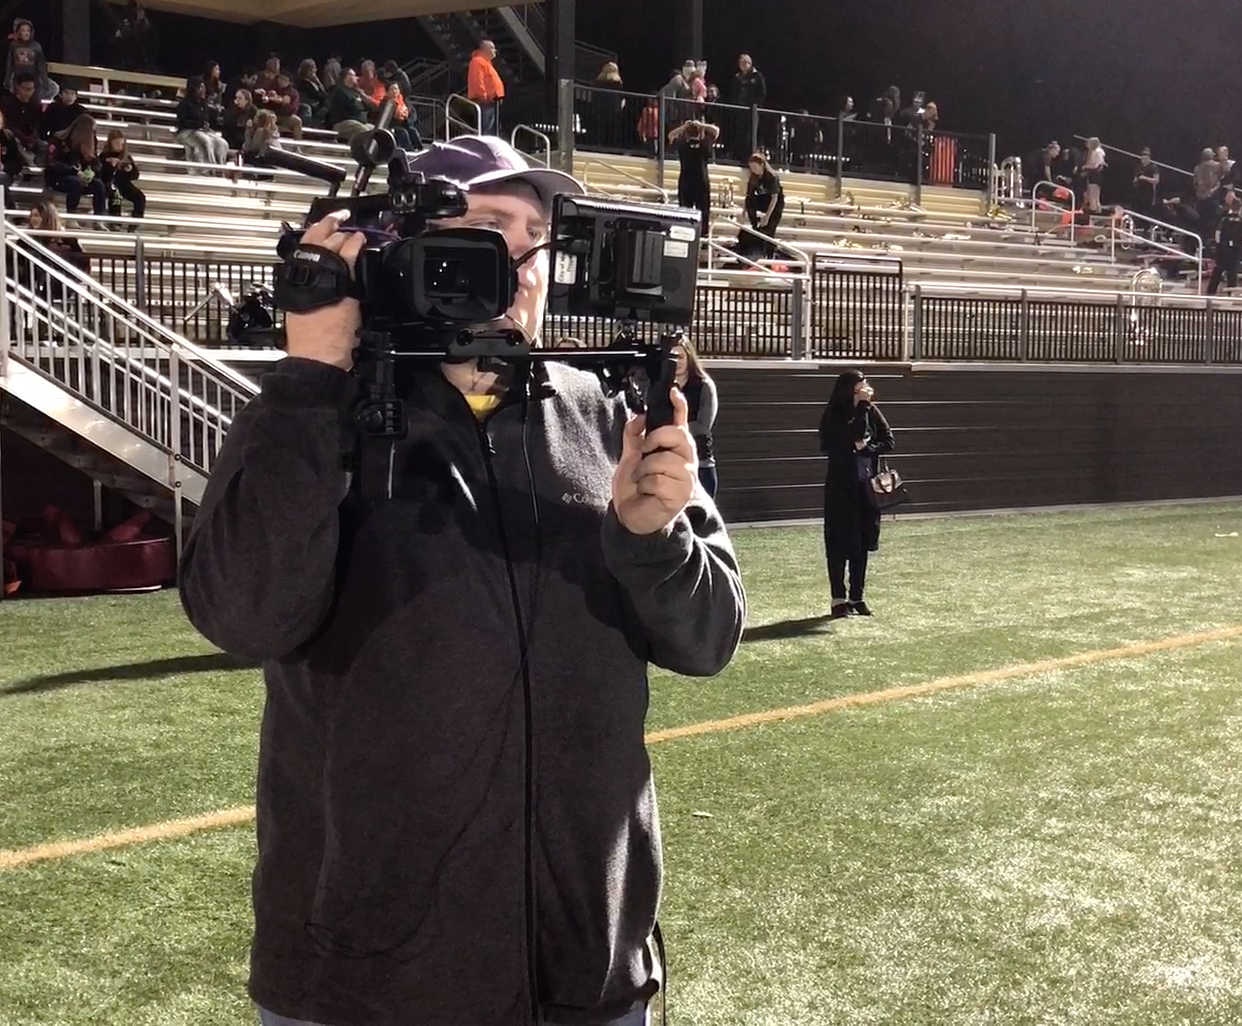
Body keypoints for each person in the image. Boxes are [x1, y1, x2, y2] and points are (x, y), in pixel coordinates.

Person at [178, 132, 744, 1026]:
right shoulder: (321, 410)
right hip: (365, 988)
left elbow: (710, 638)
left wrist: (652, 534)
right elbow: (244, 614)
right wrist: (309, 380)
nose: (522, 262)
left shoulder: (611, 411)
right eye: (489, 226)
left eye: (537, 236)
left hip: (587, 977)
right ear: (404, 249)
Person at [819, 370, 893, 618]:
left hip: (865, 486)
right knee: (839, 543)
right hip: (841, 488)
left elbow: (888, 440)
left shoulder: (870, 410)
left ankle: (857, 596)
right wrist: (861, 408)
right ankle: (838, 598)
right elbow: (853, 434)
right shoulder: (835, 414)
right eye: (861, 387)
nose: (867, 390)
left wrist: (868, 449)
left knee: (861, 542)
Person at [677, 337, 719, 499]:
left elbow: (702, 426)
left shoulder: (704, 385)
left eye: (681, 357)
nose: (677, 362)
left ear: (689, 357)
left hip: (701, 465)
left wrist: (671, 427)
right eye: (673, 357)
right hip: (672, 464)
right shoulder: (660, 386)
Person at [670, 118, 720, 242]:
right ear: (700, 133)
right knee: (703, 211)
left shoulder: (683, 146)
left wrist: (684, 126)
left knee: (684, 211)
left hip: (686, 181)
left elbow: (671, 135)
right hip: (701, 181)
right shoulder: (704, 145)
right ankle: (703, 238)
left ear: (686, 134)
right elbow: (716, 130)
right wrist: (702, 124)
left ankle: (684, 236)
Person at [46, 115, 105, 214]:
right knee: (75, 182)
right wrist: (74, 171)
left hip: (82, 178)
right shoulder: (58, 140)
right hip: (59, 178)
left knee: (99, 185)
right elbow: (53, 163)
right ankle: (72, 213)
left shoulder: (91, 142)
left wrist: (93, 172)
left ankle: (99, 216)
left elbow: (97, 163)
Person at [737, 152, 786, 261]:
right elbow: (749, 195)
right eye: (751, 167)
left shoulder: (772, 177)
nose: (753, 170)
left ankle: (770, 253)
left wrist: (767, 217)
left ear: (762, 165)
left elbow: (775, 198)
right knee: (751, 201)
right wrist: (744, 211)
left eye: (755, 167)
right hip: (763, 199)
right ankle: (755, 227)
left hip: (775, 202)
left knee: (769, 229)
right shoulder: (753, 177)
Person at [177, 76, 230, 166]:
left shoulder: (203, 104)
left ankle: (221, 168)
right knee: (205, 141)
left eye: (204, 87)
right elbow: (181, 123)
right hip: (186, 132)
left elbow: (206, 118)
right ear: (193, 89)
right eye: (200, 87)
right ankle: (209, 169)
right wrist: (198, 124)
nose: (203, 90)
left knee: (222, 143)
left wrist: (206, 124)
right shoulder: (184, 104)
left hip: (202, 131)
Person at [1207, 194, 1242, 298]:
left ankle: (1211, 291)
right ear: (1241, 207)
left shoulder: (1224, 219)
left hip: (1223, 248)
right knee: (1233, 272)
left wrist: (1220, 243)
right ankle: (1231, 293)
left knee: (1218, 270)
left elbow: (1218, 233)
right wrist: (1240, 243)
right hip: (1236, 250)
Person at [98, 130, 144, 219]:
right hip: (110, 183)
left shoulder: (126, 157)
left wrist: (128, 170)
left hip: (123, 184)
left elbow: (135, 175)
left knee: (140, 196)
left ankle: (136, 221)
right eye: (116, 144)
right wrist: (111, 167)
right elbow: (103, 175)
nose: (119, 147)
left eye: (121, 144)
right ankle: (115, 221)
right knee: (115, 195)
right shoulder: (104, 156)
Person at [4, 19, 52, 100]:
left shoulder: (36, 46)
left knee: (33, 101)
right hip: (18, 79)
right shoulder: (14, 45)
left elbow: (41, 65)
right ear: (19, 32)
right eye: (23, 30)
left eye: (28, 30)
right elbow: (10, 63)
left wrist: (45, 81)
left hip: (33, 80)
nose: (26, 33)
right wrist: (7, 79)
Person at [467, 39, 504, 134]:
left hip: (492, 101)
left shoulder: (487, 63)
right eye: (492, 48)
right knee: (486, 129)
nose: (495, 50)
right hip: (485, 101)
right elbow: (477, 80)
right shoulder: (478, 62)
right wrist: (483, 96)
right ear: (485, 49)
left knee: (491, 129)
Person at [1131, 148, 1160, 217]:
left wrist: (1145, 178)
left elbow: (1156, 180)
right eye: (1142, 158)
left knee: (1146, 211)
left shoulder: (1153, 167)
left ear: (1149, 158)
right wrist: (1135, 181)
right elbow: (1135, 177)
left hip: (1148, 192)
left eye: (1145, 158)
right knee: (1137, 209)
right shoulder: (1138, 166)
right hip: (1139, 191)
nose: (1143, 160)